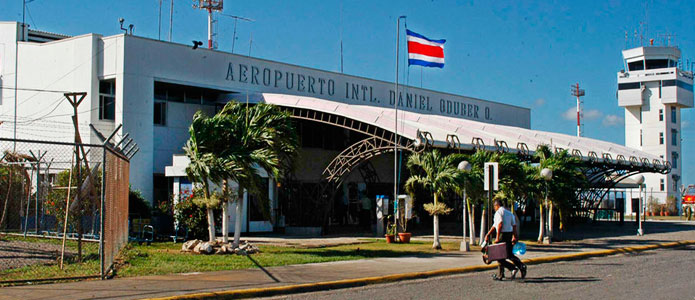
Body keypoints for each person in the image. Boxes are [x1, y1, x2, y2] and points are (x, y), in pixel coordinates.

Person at [484, 199, 527, 280]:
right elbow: (513, 225)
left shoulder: (498, 213)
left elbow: (499, 224)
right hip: (509, 234)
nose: (494, 208)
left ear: (496, 205)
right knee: (509, 254)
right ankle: (521, 266)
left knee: (498, 255)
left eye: (494, 206)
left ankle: (512, 268)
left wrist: (497, 237)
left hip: (501, 235)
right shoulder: (509, 213)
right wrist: (515, 236)